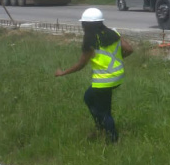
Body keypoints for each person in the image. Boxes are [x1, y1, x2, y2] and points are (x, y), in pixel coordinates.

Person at [54, 8, 134, 142]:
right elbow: (129, 49)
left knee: (104, 111)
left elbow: (81, 65)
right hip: (118, 76)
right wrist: (119, 59)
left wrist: (62, 73)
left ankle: (112, 139)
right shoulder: (113, 33)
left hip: (103, 81)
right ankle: (101, 127)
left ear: (86, 24)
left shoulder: (90, 40)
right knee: (89, 97)